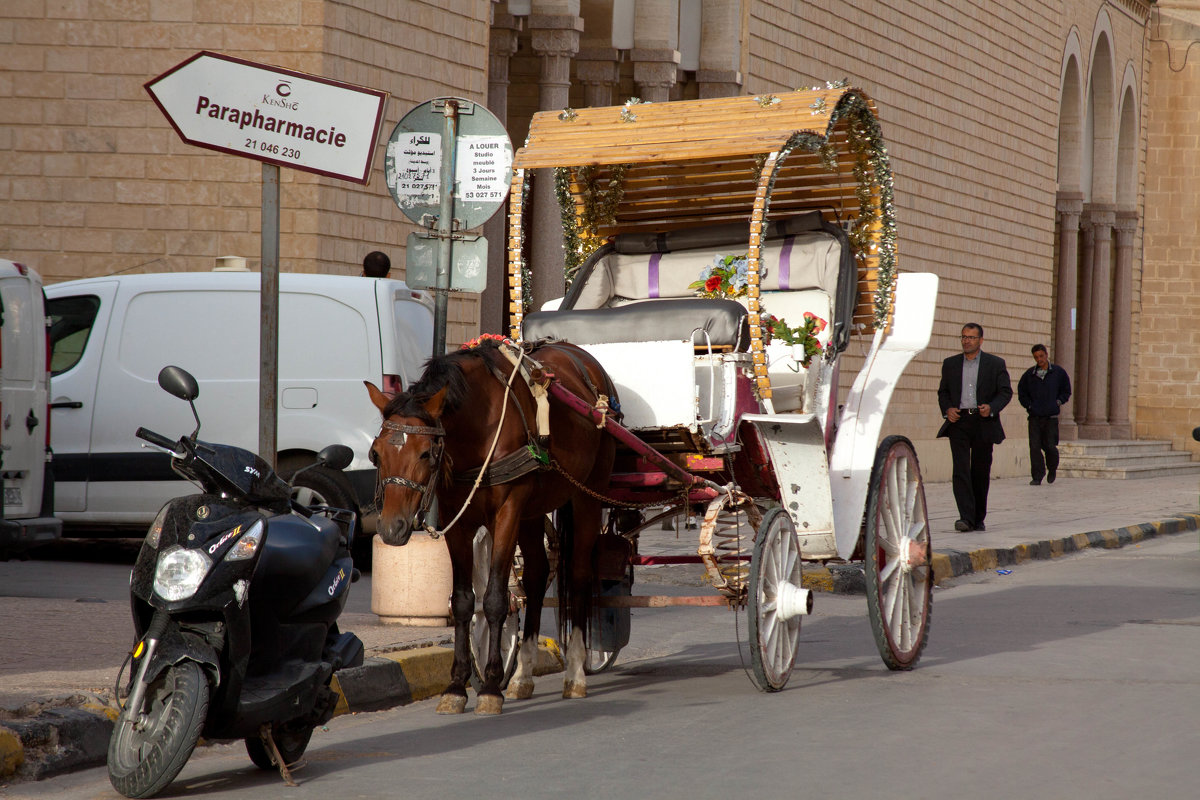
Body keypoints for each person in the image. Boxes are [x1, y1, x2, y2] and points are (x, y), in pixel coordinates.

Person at [937, 323, 1012, 532]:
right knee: (960, 470)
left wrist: (992, 408)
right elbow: (942, 392)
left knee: (980, 470)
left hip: (983, 421)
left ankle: (978, 517)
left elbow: (1005, 392)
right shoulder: (950, 364)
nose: (966, 341)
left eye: (971, 337)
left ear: (980, 340)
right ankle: (965, 518)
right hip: (959, 422)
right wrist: (947, 409)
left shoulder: (995, 364)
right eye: (963, 337)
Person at [1017, 343, 1072, 486]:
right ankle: (1037, 476)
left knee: (1050, 446)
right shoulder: (1029, 375)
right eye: (1036, 357)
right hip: (1035, 417)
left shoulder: (1058, 373)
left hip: (1051, 418)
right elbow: (1021, 392)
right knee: (1034, 447)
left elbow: (1066, 390)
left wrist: (1058, 402)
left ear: (1046, 355)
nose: (1039, 359)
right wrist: (1029, 405)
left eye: (1041, 356)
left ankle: (1052, 468)